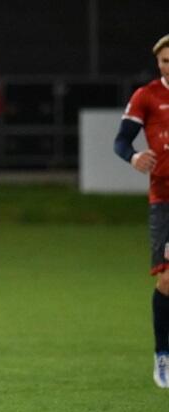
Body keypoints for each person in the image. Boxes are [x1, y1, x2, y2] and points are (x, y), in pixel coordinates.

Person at [113, 33, 169, 388]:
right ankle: (162, 355)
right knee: (167, 280)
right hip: (164, 198)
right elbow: (121, 140)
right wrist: (134, 156)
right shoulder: (147, 95)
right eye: (165, 61)